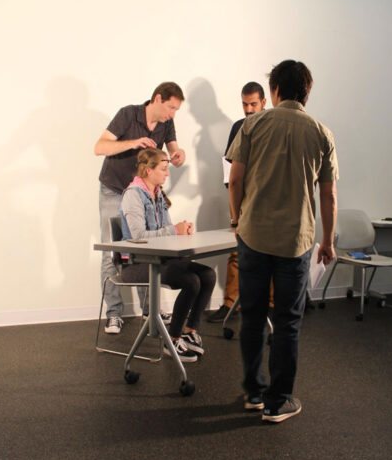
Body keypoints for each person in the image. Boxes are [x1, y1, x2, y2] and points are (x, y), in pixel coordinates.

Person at [227, 60, 338, 423]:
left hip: (253, 235)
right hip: (296, 241)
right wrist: (328, 240)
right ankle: (278, 402)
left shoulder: (253, 124)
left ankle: (253, 394)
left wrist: (236, 218)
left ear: (273, 90)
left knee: (253, 317)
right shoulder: (321, 132)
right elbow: (329, 195)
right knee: (288, 322)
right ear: (307, 91)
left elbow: (236, 179)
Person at [94, 82, 187, 334]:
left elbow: (174, 149)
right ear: (157, 99)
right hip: (114, 190)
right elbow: (99, 147)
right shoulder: (128, 114)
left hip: (142, 193)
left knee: (147, 249)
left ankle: (150, 310)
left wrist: (179, 155)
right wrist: (132, 143)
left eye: (176, 110)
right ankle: (114, 314)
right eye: (170, 108)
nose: (172, 114)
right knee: (112, 252)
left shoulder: (167, 123)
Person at [118, 148, 215, 362]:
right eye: (163, 169)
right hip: (137, 264)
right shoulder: (133, 195)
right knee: (191, 281)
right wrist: (175, 230)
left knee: (207, 275)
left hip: (160, 260)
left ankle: (189, 332)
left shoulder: (158, 194)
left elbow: (168, 230)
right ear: (148, 170)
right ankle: (172, 340)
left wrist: (182, 231)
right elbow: (139, 236)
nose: (167, 173)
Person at [208, 81, 269, 323]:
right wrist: (233, 199)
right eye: (244, 104)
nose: (248, 109)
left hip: (267, 199)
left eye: (253, 103)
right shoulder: (238, 126)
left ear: (264, 102)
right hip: (243, 198)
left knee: (271, 253)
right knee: (237, 251)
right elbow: (229, 165)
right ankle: (231, 303)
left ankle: (271, 306)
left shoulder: (273, 125)